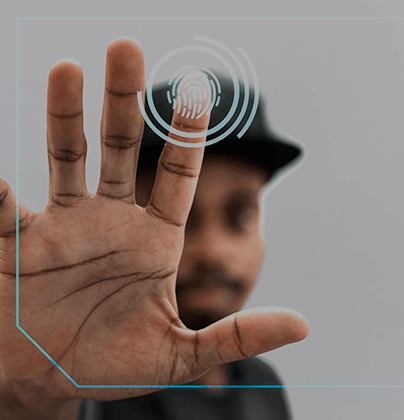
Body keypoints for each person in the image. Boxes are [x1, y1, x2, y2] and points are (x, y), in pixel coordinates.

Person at [0, 37, 309, 420]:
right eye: (181, 221)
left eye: (240, 216)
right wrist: (31, 399)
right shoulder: (92, 384)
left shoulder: (263, 385)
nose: (213, 250)